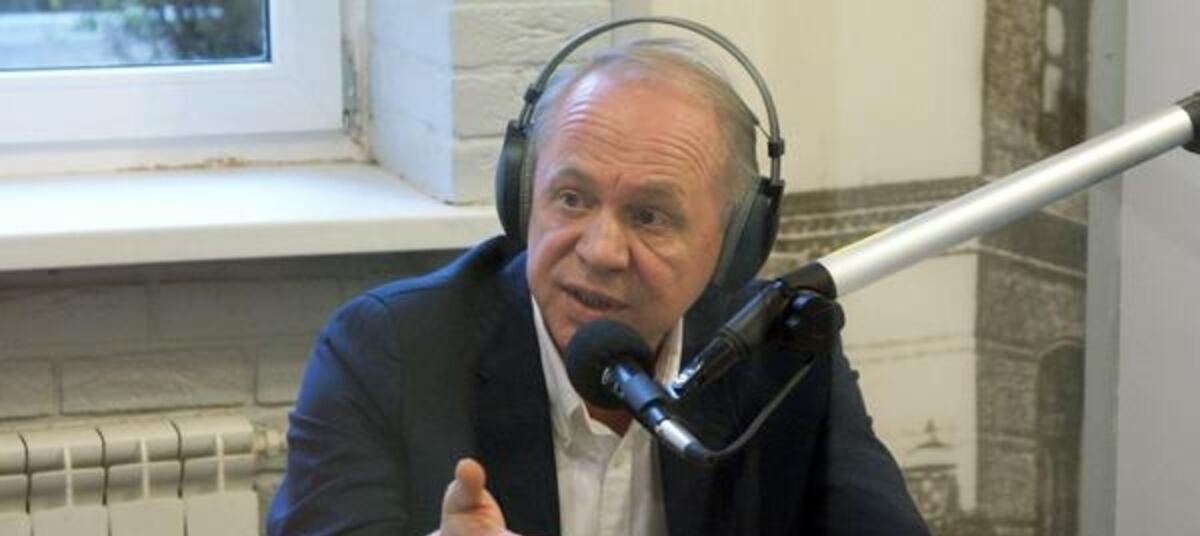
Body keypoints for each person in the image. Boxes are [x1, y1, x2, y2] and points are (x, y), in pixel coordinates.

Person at [267, 35, 928, 536]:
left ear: (731, 245)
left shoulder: (777, 356)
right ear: (523, 196)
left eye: (650, 217)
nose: (601, 251)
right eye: (572, 199)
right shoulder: (387, 351)